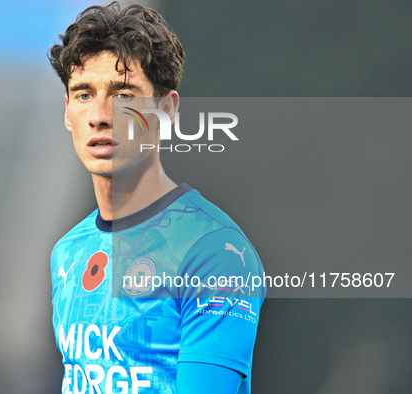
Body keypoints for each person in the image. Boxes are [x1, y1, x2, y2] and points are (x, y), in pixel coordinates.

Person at [48, 3, 265, 393]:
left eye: (124, 94)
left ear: (166, 110)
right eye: (84, 94)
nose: (100, 115)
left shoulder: (214, 252)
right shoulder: (67, 253)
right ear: (67, 112)